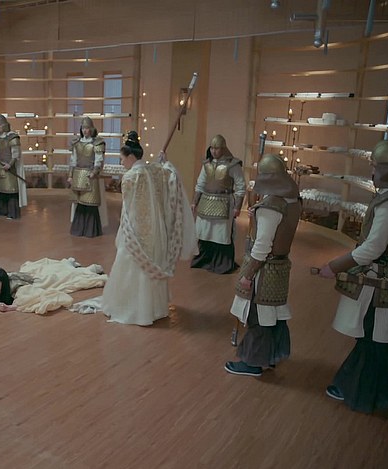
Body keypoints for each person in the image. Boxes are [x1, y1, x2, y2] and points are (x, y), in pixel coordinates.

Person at [317, 139, 388, 413]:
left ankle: (364, 391)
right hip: (387, 274)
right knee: (377, 337)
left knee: (374, 336)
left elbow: (373, 248)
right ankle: (375, 388)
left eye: (376, 166)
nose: (372, 171)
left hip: (380, 278)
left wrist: (335, 266)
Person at [77, 131, 195, 325]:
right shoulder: (153, 171)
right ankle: (153, 309)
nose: (122, 162)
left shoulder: (130, 176)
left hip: (134, 229)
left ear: (131, 156)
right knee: (149, 262)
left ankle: (132, 307)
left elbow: (128, 205)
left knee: (131, 264)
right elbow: (169, 174)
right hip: (154, 231)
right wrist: (164, 161)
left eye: (122, 158)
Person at [225, 154, 301, 377]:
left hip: (264, 269)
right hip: (279, 266)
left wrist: (248, 274)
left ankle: (253, 361)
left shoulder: (272, 205)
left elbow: (262, 244)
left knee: (258, 317)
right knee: (273, 315)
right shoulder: (291, 201)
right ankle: (271, 355)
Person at [191, 134, 246, 274]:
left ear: (223, 148)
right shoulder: (207, 164)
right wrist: (194, 202)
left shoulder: (233, 165)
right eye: (212, 148)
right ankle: (205, 259)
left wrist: (237, 207)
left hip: (224, 203)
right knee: (204, 232)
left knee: (221, 234)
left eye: (217, 148)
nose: (214, 151)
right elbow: (200, 184)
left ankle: (221, 263)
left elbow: (240, 186)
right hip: (206, 202)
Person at [68, 117, 108, 237]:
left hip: (90, 176)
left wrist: (94, 172)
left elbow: (99, 160)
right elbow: (73, 160)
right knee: (79, 203)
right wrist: (70, 175)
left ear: (92, 129)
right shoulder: (76, 143)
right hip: (78, 175)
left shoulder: (97, 143)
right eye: (83, 128)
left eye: (87, 128)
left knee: (90, 202)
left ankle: (90, 230)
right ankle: (79, 228)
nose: (85, 130)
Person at [0, 115, 27, 219]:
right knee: (1, 189)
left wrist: (10, 164)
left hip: (10, 169)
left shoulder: (12, 137)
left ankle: (13, 213)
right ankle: (0, 210)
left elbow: (16, 154)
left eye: (0, 125)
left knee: (11, 189)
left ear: (5, 125)